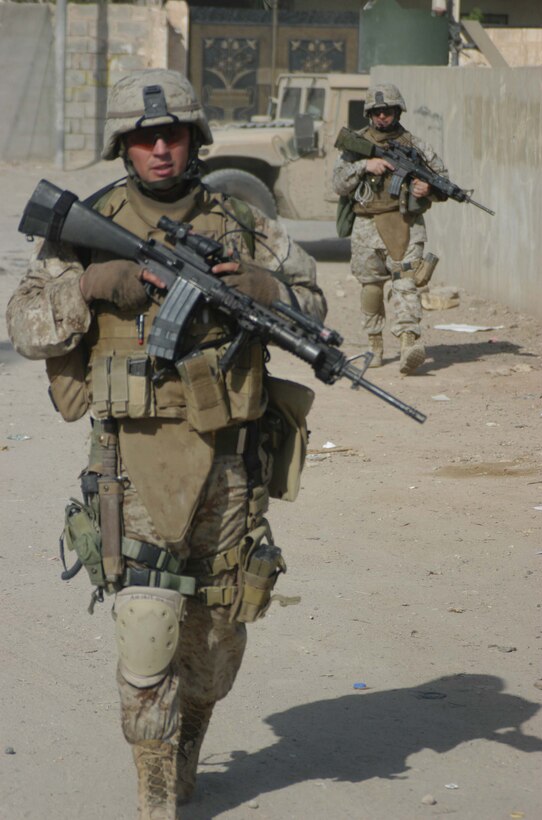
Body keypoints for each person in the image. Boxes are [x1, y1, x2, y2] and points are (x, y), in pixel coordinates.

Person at [6, 69, 326, 819]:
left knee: (217, 634)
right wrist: (90, 286)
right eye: (144, 137)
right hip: (130, 460)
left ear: (194, 141)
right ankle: (154, 793)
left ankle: (185, 755)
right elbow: (23, 327)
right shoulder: (87, 224)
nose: (159, 149)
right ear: (124, 145)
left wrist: (265, 287)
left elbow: (313, 308)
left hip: (230, 461)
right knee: (148, 627)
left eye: (171, 135)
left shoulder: (243, 224)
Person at [332, 84, 447, 374]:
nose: (382, 116)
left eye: (388, 111)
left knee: (406, 283)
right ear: (369, 114)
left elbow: (442, 180)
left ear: (398, 112)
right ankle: (374, 345)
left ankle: (408, 344)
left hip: (405, 222)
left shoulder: (415, 145)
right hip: (366, 225)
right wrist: (364, 166)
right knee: (371, 287)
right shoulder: (356, 145)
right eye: (377, 112)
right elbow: (338, 184)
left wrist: (427, 189)